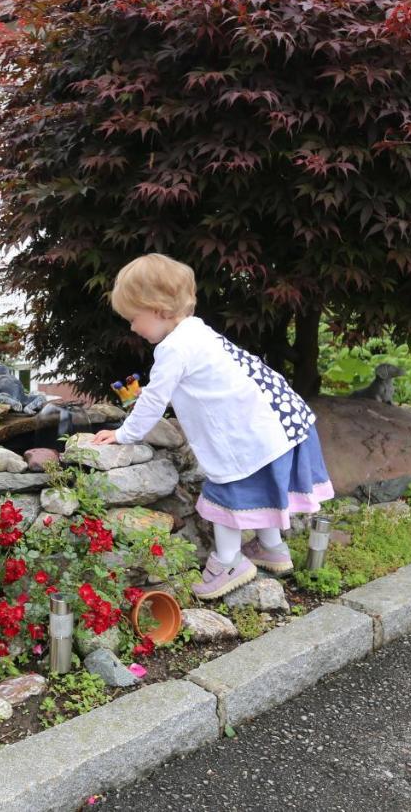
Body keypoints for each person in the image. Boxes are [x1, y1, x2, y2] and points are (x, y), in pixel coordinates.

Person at [92, 254, 333, 599]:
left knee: (227, 492)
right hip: (280, 422)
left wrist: (122, 434)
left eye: (134, 318)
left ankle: (228, 562)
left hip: (251, 435)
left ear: (158, 309)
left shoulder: (173, 349)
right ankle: (271, 547)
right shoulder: (198, 332)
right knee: (262, 487)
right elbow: (200, 386)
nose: (132, 328)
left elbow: (152, 403)